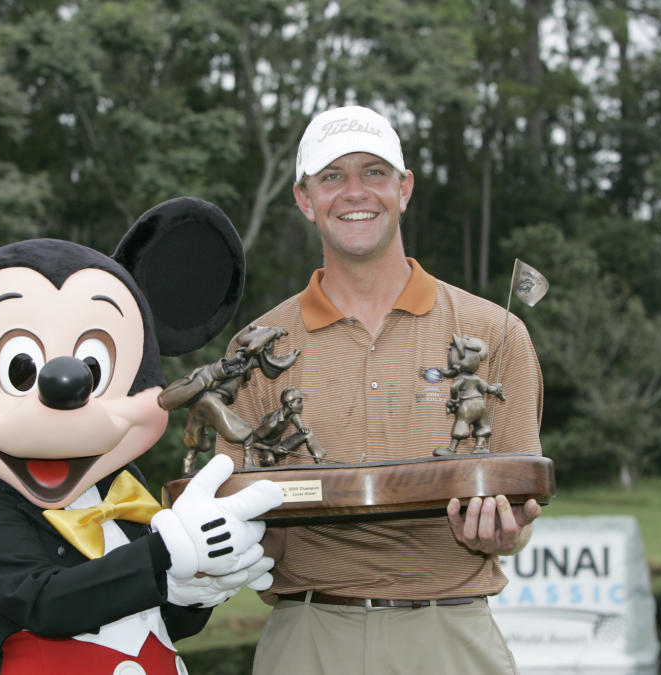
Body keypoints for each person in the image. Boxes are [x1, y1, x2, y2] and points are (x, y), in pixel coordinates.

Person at [215, 105, 544, 674]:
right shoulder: (256, 347)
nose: (354, 192)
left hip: (450, 633)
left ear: (404, 187)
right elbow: (232, 508)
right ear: (304, 199)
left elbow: (519, 506)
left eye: (374, 172)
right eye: (332, 177)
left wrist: (502, 532)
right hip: (308, 635)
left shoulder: (497, 331)